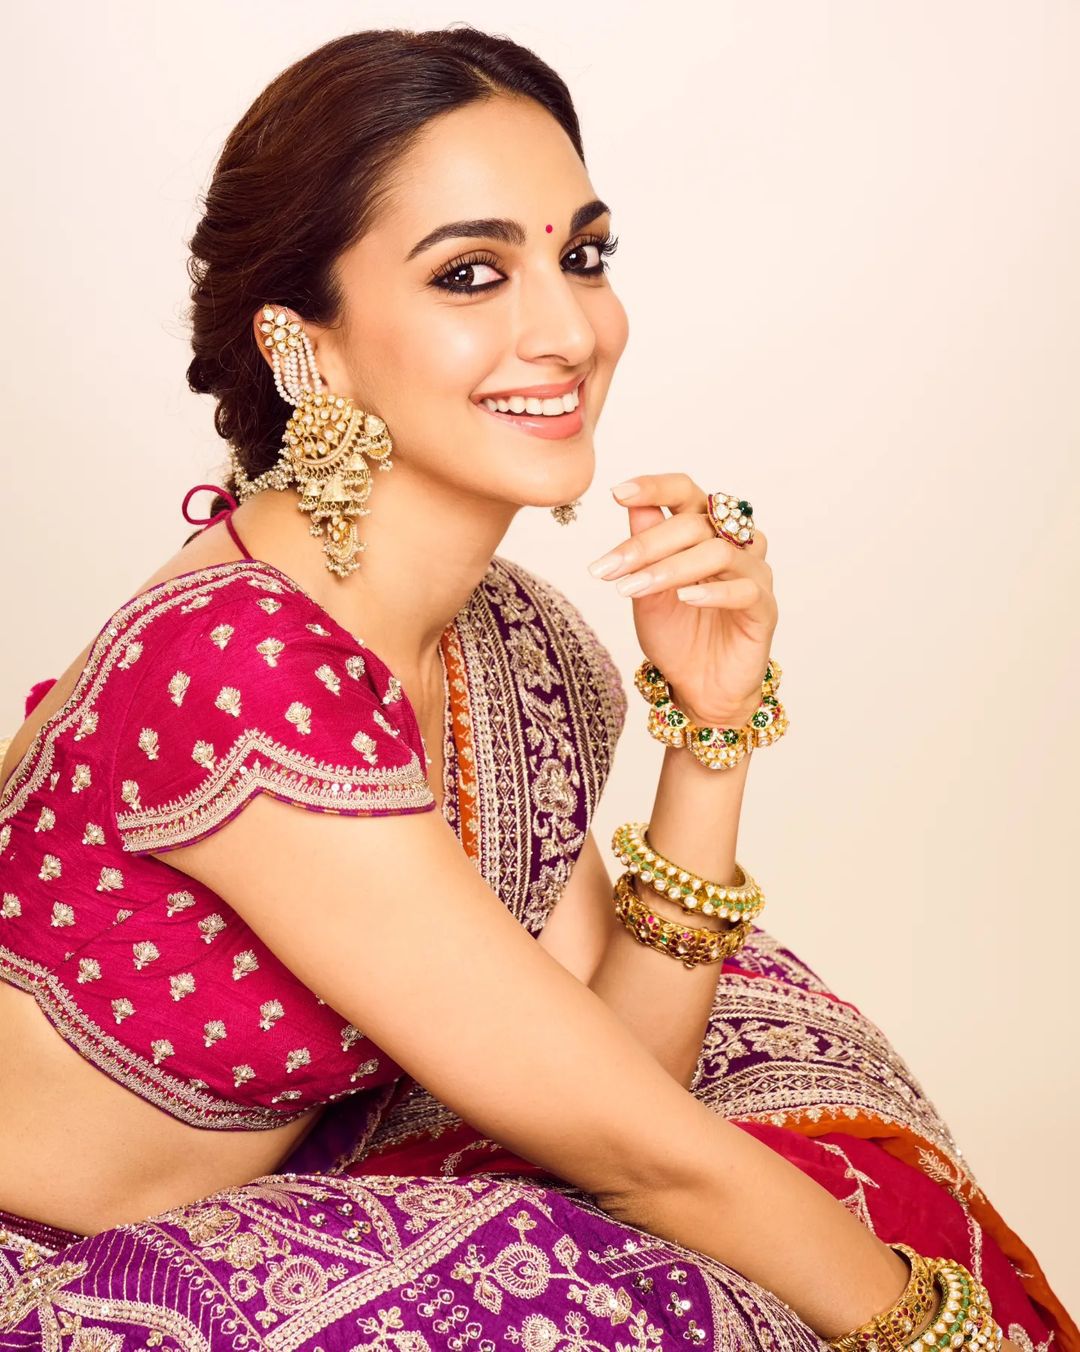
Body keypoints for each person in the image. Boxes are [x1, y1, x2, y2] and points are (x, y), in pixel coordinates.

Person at [0, 24, 1073, 1352]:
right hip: (52, 1281)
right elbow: (637, 1153)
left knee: (777, 1060)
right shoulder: (242, 670)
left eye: (584, 257)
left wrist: (712, 733)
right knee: (675, 1262)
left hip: (250, 1216)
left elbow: (613, 1086)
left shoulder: (512, 640)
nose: (567, 331)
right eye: (471, 274)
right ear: (304, 344)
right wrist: (939, 1331)